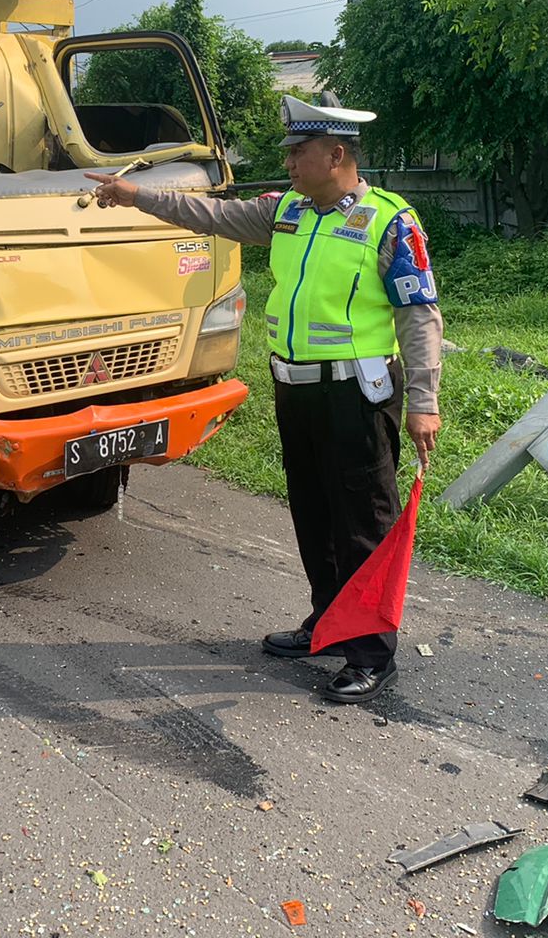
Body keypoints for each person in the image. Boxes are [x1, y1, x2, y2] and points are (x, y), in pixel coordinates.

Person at [85, 95, 442, 704]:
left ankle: (371, 655)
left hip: (358, 394)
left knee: (363, 523)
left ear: (336, 155)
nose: (290, 163)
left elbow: (419, 314)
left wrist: (424, 399)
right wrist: (134, 195)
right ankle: (327, 624)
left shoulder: (391, 223)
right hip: (296, 390)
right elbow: (207, 214)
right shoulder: (287, 213)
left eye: (298, 153)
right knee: (313, 512)